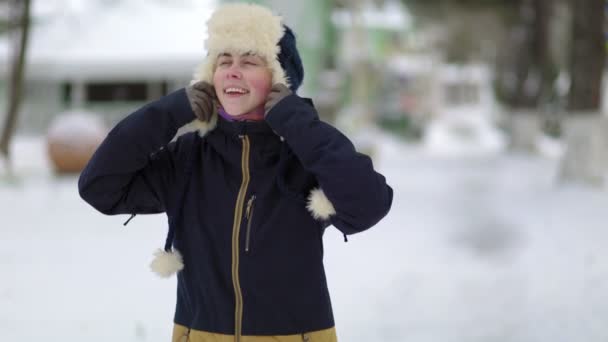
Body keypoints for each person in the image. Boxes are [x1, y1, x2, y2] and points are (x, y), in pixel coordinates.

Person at [78, 3, 392, 342]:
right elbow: (100, 186)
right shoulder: (189, 157)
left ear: (279, 79)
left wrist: (297, 122)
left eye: (250, 61)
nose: (232, 71)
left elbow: (368, 204)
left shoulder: (304, 154)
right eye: (223, 60)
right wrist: (167, 113)